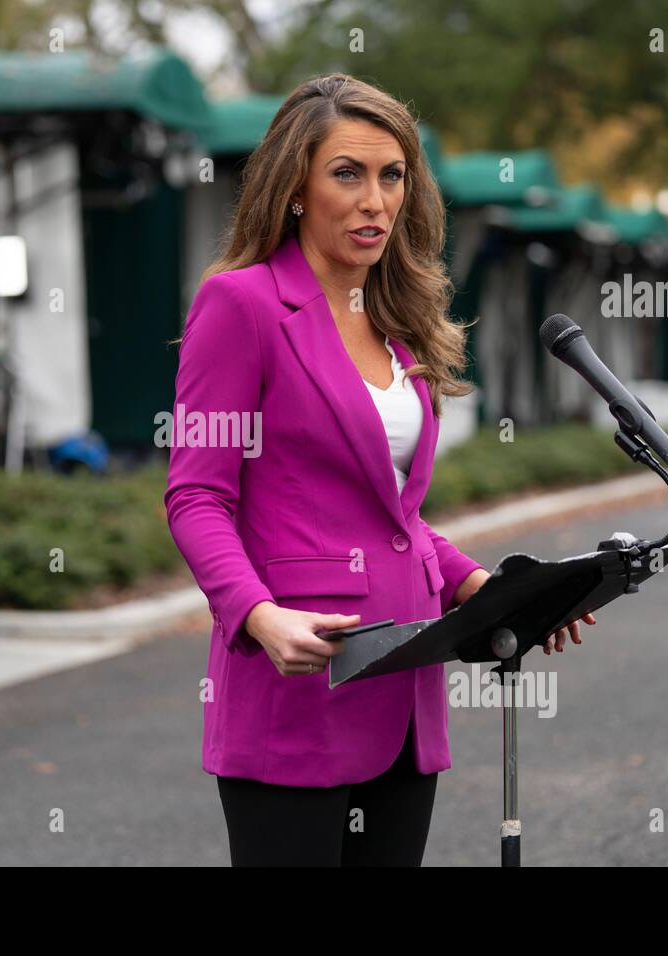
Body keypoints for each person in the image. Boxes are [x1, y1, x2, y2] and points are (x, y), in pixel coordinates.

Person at [164, 73, 594, 867]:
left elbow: (393, 518)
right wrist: (258, 615)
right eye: (347, 174)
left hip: (405, 688)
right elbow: (196, 494)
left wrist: (485, 587)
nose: (374, 200)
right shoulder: (242, 307)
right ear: (295, 187)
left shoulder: (398, 327)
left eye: (391, 175)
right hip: (299, 685)